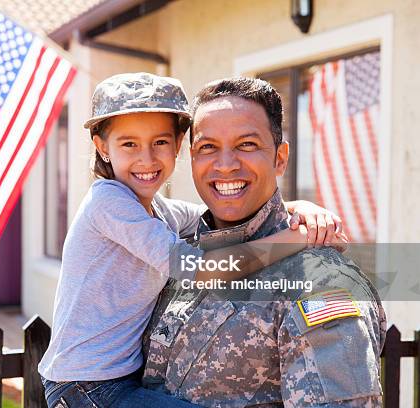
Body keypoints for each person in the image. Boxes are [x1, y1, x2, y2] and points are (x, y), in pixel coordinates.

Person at [38, 73, 347, 408]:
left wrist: (297, 206)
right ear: (102, 147)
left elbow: (229, 203)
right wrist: (293, 239)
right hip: (87, 385)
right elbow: (199, 269)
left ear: (178, 144)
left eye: (160, 142)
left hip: (118, 378)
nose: (147, 158)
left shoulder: (159, 211)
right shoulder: (107, 203)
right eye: (129, 144)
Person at [142, 77, 386, 407]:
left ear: (280, 158)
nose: (225, 165)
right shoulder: (182, 251)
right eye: (208, 147)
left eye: (247, 145)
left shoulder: (319, 283)